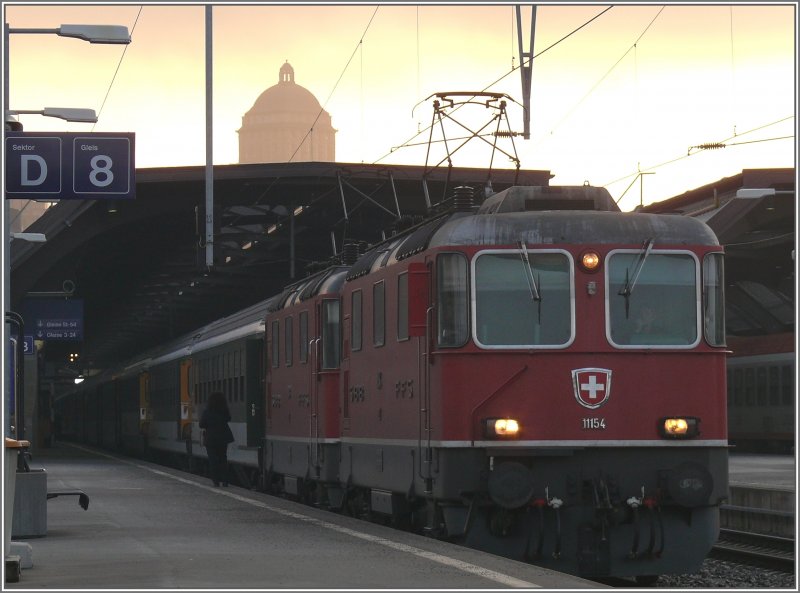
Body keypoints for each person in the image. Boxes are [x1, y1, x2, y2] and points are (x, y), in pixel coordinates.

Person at [199, 391, 234, 487]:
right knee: (223, 458)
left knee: (212, 460)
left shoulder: (207, 412)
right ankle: (225, 481)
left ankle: (216, 481)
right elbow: (228, 418)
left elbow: (201, 424)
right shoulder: (224, 411)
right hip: (223, 438)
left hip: (211, 439)